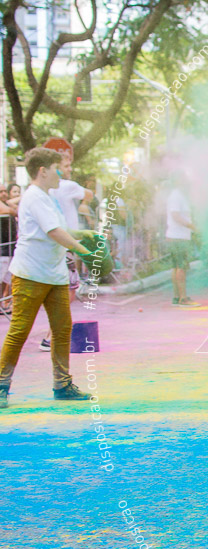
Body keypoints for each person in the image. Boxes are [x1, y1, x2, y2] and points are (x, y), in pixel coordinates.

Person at [0, 148, 95, 409]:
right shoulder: (35, 197)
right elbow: (54, 232)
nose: (61, 173)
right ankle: (1, 386)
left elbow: (60, 228)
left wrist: (81, 235)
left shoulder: (46, 197)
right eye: (56, 168)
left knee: (62, 329)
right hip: (31, 274)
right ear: (43, 171)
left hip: (53, 274)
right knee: (19, 331)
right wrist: (83, 250)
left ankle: (62, 384)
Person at [166, 178, 199, 306]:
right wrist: (192, 226)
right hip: (178, 237)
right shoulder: (176, 196)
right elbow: (176, 215)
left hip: (178, 236)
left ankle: (177, 296)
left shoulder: (178, 195)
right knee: (181, 267)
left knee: (176, 267)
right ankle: (183, 298)